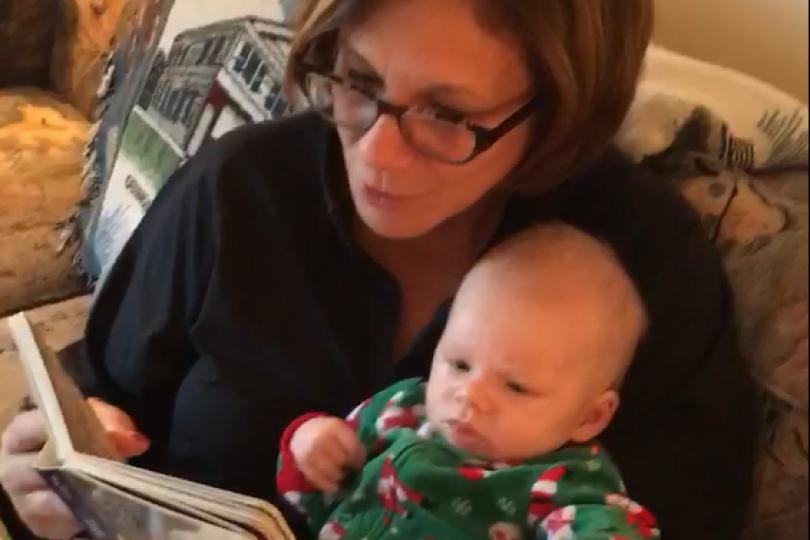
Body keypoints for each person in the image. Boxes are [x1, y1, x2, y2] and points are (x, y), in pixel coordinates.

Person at [0, 1, 756, 539]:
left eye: (447, 116)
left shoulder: (637, 258)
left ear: (557, 114)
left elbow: (693, 510)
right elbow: (102, 401)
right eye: (359, 83)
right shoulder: (240, 190)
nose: (377, 156)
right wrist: (48, 479)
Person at [277, 223, 660, 539]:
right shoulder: (401, 411)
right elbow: (308, 499)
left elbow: (606, 528)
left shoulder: (563, 482)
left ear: (589, 417)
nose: (469, 394)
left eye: (515, 386)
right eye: (459, 364)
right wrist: (311, 446)